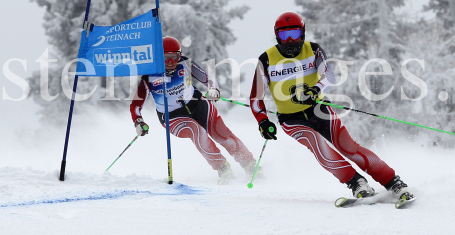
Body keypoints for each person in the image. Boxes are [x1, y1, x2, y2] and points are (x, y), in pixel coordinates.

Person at [249, 11, 414, 206]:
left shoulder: (313, 50)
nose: (291, 40)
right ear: (277, 36)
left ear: (303, 33)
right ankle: (356, 183)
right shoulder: (266, 59)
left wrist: (315, 88)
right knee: (318, 145)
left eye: (294, 33)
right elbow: (255, 98)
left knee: (349, 147)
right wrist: (263, 122)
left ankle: (393, 182)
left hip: (319, 108)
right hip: (291, 119)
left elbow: (329, 75)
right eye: (285, 35)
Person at [131, 36, 258, 184]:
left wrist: (214, 89)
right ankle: (223, 168)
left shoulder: (185, 63)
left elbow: (208, 78)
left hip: (197, 104)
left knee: (221, 133)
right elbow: (135, 105)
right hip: (172, 117)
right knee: (195, 130)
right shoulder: (149, 76)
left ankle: (250, 164)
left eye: (174, 57)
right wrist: (138, 122)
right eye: (166, 58)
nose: (171, 62)